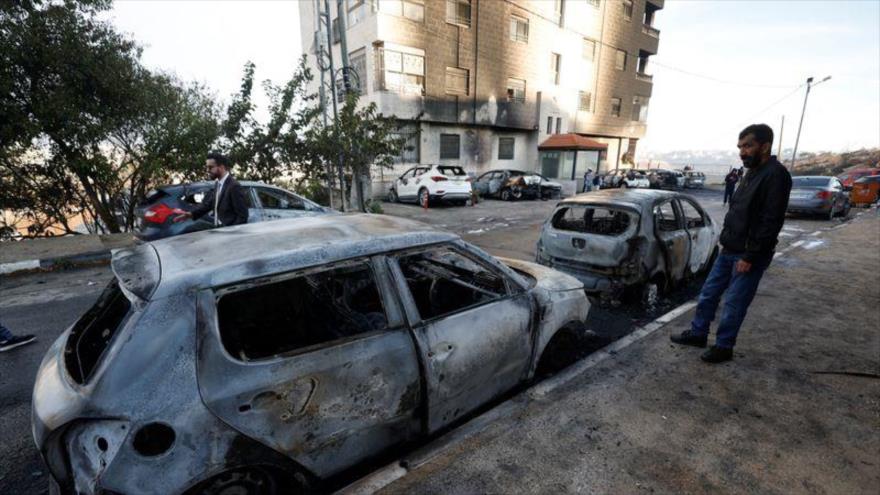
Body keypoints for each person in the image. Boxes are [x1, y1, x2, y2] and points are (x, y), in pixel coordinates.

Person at [670, 124, 792, 363]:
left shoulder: (775, 174)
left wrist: (750, 256)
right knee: (707, 295)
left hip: (747, 255)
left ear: (765, 146)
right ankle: (698, 333)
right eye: (740, 147)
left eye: (748, 146)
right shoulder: (752, 172)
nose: (742, 152)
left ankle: (724, 346)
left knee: (734, 303)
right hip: (729, 250)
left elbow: (771, 221)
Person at [173, 152, 249, 227]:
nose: (207, 170)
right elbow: (209, 205)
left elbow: (243, 217)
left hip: (230, 235)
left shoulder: (234, 186)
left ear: (221, 167)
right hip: (221, 232)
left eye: (210, 167)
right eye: (207, 167)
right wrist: (190, 214)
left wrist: (231, 233)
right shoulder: (218, 184)